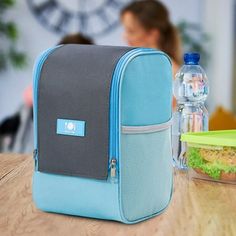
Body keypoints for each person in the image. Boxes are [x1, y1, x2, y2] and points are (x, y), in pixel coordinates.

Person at [120, 0, 182, 77]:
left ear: (153, 35)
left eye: (131, 31)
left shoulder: (171, 73)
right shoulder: (133, 66)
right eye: (125, 30)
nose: (125, 36)